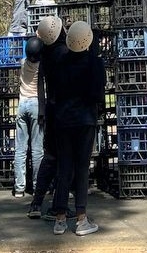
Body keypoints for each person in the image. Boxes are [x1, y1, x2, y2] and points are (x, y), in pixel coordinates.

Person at [52, 21, 106, 236]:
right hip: (85, 120)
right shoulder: (95, 63)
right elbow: (98, 95)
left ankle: (59, 219)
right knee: (82, 168)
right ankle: (81, 219)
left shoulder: (60, 62)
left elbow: (54, 92)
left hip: (62, 121)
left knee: (64, 168)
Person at [27, 15, 74, 221]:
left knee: (50, 158)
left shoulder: (45, 53)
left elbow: (40, 86)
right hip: (65, 112)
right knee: (65, 160)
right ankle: (58, 207)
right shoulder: (65, 53)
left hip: (51, 110)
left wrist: (43, 110)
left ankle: (36, 203)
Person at [13, 36, 45, 198]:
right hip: (35, 105)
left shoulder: (22, 62)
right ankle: (36, 186)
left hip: (22, 104)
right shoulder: (41, 66)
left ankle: (19, 188)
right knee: (37, 149)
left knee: (20, 149)